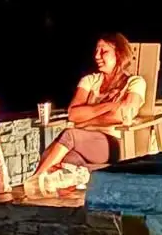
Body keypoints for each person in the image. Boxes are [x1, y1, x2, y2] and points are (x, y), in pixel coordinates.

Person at [31, 34, 145, 176]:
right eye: (96, 51)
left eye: (103, 52)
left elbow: (122, 114)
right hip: (82, 143)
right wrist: (110, 106)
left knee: (68, 135)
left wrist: (84, 122)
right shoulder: (90, 80)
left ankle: (33, 181)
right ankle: (56, 193)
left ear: (119, 54)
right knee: (65, 160)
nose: (97, 56)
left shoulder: (134, 83)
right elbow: (73, 114)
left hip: (110, 143)